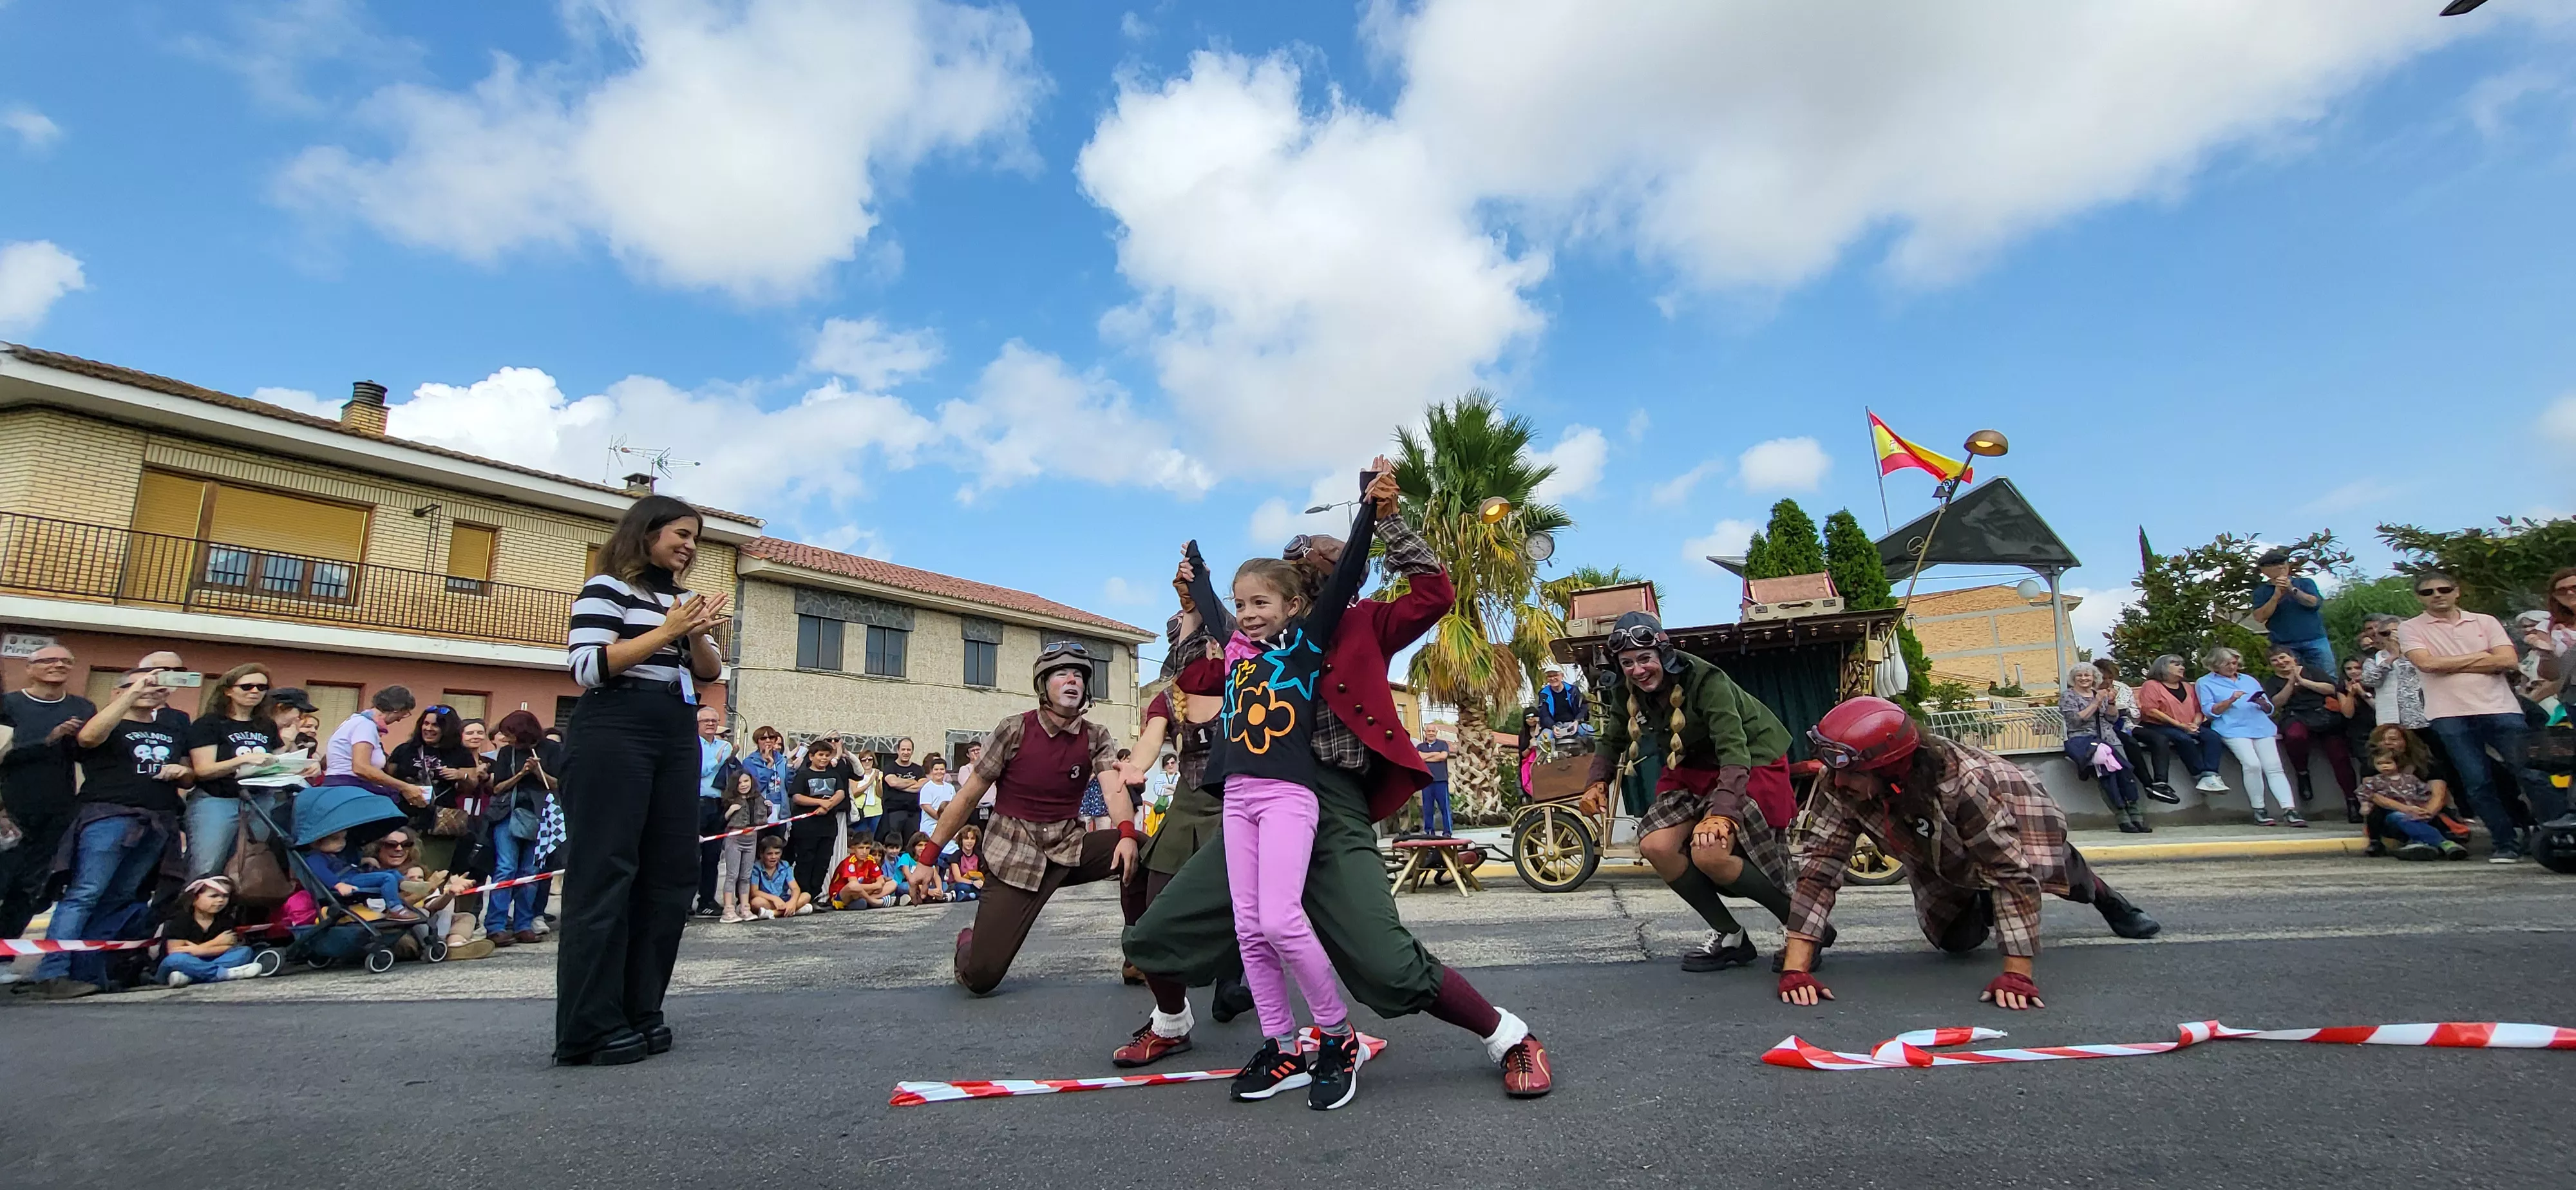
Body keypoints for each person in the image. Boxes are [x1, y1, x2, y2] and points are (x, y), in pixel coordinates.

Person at [1121, 460, 1553, 1099]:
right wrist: (1190, 607)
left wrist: (1389, 520)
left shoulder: (1362, 623)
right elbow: (1189, 677)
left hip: (1333, 803)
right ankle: (1172, 1020)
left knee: (1386, 963)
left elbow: (1434, 594)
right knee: (1155, 934)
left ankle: (1509, 1037)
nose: (1313, 564)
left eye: (1320, 565)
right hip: (1258, 796)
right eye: (1300, 563)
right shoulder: (1251, 644)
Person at [1168, 522, 1385, 1111]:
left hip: (1288, 795)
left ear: (1293, 606)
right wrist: (1196, 566)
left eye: (1261, 603)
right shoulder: (1236, 651)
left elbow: (1341, 581)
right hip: (1237, 797)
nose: (1247, 614)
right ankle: (1283, 1044)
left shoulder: (1307, 644)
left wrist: (1368, 510)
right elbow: (1209, 607)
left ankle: (1337, 1037)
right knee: (1247, 927)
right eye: (1242, 605)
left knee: (1281, 920)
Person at [1779, 697, 2161, 1014]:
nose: (1839, 781)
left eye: (1851, 774)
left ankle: (2107, 898)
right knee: (1954, 940)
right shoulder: (1840, 780)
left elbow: (2009, 872)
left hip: (2016, 820)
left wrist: (2017, 973)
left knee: (2048, 872)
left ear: (1890, 769)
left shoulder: (1962, 782)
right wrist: (1796, 969)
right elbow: (1820, 867)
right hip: (1933, 843)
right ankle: (1982, 899)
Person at [554, 494, 730, 1067]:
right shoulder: (608, 588)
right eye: (680, 533)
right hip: (615, 728)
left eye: (695, 537)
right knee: (607, 873)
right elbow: (587, 666)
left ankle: (639, 1009)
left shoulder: (680, 601)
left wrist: (695, 630)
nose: (690, 545)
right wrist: (667, 628)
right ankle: (588, 1027)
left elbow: (708, 672)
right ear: (646, 532)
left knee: (669, 875)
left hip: (673, 729)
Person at [1580, 611, 1803, 972]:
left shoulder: (1705, 679)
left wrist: (1721, 814)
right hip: (1691, 766)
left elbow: (1734, 748)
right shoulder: (1625, 689)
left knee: (1709, 853)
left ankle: (1804, 927)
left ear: (1664, 655)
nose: (1637, 670)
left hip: (1749, 760)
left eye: (1645, 659)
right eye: (1627, 663)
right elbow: (1613, 737)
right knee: (1656, 846)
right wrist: (1596, 782)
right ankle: (1731, 937)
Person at [925, 642, 1135, 994]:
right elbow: (967, 797)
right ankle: (968, 942)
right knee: (981, 978)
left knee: (1140, 849)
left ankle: (1140, 956)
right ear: (1043, 686)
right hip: (1014, 858)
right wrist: (927, 859)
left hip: (1068, 848)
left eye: (1079, 675)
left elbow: (1114, 790)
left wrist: (1127, 832)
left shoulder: (1096, 736)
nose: (1072, 679)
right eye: (1061, 673)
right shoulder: (1013, 730)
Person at [28, 665, 195, 999]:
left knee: (120, 897)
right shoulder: (106, 722)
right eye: (140, 685)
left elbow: (190, 778)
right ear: (118, 692)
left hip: (158, 819)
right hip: (109, 816)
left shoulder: (171, 727)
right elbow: (89, 739)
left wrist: (182, 771)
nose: (151, 690)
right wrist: (133, 693)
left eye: (158, 687)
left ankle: (88, 971)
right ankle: (53, 972)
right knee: (84, 894)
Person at [2395, 571, 2558, 863]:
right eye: (2427, 592)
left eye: (2443, 589)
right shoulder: (2411, 628)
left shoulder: (2485, 621)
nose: (2437, 596)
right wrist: (2483, 658)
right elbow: (2427, 664)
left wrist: (2451, 664)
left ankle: (2556, 834)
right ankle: (2505, 843)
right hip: (2448, 714)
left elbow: (2508, 660)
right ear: (2419, 597)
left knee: (2532, 774)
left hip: (2501, 708)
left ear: (2457, 592)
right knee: (2477, 782)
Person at [0, 643, 95, 943]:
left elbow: (86, 755)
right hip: (9, 807)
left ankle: (4, 956)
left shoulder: (82, 708)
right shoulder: (9, 704)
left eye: (67, 661)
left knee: (32, 887)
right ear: (30, 669)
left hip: (57, 809)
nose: (59, 665)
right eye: (49, 660)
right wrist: (49, 739)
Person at [184, 663, 290, 880]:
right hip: (217, 800)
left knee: (247, 868)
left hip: (259, 801)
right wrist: (242, 760)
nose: (255, 692)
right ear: (228, 690)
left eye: (262, 687)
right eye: (247, 686)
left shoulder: (266, 725)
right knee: (207, 867)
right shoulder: (210, 724)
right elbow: (203, 771)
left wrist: (301, 765)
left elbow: (277, 760)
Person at [2197, 647, 2301, 826]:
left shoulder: (2249, 680)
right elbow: (2209, 711)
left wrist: (2262, 703)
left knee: (2274, 767)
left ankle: (2290, 810)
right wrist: (2230, 700)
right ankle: (2259, 809)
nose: (2232, 667)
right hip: (2232, 728)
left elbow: (2270, 709)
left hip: (2260, 726)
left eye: (2235, 663)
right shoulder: (2205, 682)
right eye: (2227, 664)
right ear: (2215, 665)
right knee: (2252, 765)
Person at [484, 710, 560, 945]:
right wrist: (522, 773)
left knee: (531, 870)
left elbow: (560, 784)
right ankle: (495, 925)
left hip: (542, 814)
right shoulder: (507, 753)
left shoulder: (553, 750)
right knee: (506, 868)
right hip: (510, 813)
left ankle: (524, 924)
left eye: (510, 734)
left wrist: (538, 772)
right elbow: (498, 788)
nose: (506, 739)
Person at [386, 703, 483, 879]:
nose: (429, 729)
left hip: (440, 822)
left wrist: (460, 775)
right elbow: (388, 778)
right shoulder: (405, 750)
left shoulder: (460, 753)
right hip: (404, 818)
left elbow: (471, 786)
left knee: (433, 873)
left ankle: (429, 906)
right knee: (402, 872)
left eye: (435, 725)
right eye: (426, 724)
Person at [2262, 647, 2356, 820]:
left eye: (2283, 658)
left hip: (2323, 714)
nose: (2281, 662)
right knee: (2295, 736)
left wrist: (2304, 682)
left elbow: (2331, 689)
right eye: (2275, 660)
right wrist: (2291, 683)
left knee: (2340, 756)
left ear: (2293, 658)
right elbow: (2276, 703)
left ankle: (2352, 801)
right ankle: (2302, 773)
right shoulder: (2273, 681)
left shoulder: (2312, 670)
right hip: (2296, 715)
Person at [2060, 665, 2148, 833]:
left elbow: (2112, 718)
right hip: (2086, 742)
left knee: (2126, 774)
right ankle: (2122, 818)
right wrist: (2096, 702)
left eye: (2088, 675)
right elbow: (2076, 721)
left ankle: (2137, 817)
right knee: (2106, 779)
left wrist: (2112, 702)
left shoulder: (2098, 694)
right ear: (2073, 678)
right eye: (2079, 675)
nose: (2084, 678)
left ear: (2094, 678)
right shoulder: (2068, 696)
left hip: (2110, 740)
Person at [156, 876, 280, 987]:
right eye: (213, 896)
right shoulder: (181, 920)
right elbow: (175, 952)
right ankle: (224, 974)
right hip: (182, 964)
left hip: (208, 961)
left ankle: (191, 977)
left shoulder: (225, 920)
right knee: (176, 960)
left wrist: (198, 950)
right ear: (195, 899)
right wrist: (213, 944)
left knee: (244, 952)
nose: (221, 900)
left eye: (225, 896)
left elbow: (228, 946)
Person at [2133, 655, 2226, 795]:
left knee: (2212, 737)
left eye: (2182, 664)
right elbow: (2150, 710)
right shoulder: (2151, 685)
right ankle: (2200, 775)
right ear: (2163, 667)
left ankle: (2211, 774)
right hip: (2161, 725)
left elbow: (2198, 709)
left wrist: (2195, 724)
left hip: (2189, 725)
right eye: (2176, 664)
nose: (2182, 667)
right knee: (2183, 740)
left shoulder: (2188, 687)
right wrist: (2180, 725)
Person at [2358, 745, 2469, 861]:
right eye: (2380, 764)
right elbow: (2365, 795)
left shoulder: (2411, 779)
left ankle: (2419, 844)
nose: (2384, 766)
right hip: (2389, 816)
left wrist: (2424, 808)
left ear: (2397, 764)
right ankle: (2445, 843)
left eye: (2388, 763)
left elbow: (2425, 793)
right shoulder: (2374, 782)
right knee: (2400, 816)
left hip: (2416, 811)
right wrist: (2365, 805)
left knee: (2413, 819)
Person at [2246, 547, 2333, 679]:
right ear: (2264, 570)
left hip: (2315, 640)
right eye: (2275, 564)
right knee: (2290, 678)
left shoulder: (2305, 583)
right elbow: (2259, 618)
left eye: (2284, 563)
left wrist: (2292, 589)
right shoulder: (2261, 592)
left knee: (2328, 676)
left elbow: (2314, 603)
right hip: (2284, 644)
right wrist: (2276, 596)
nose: (2281, 567)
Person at [301, 829, 422, 922]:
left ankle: (403, 883)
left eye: (343, 839)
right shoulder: (316, 858)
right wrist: (339, 885)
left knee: (392, 873)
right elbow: (323, 873)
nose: (342, 843)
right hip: (346, 881)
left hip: (354, 876)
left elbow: (348, 865)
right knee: (387, 878)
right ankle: (396, 909)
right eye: (336, 840)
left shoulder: (336, 854)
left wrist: (364, 860)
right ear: (318, 842)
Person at [787, 739, 854, 898]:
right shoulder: (803, 775)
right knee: (805, 861)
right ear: (811, 756)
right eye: (820, 755)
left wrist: (828, 806)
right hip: (806, 827)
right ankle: (802, 895)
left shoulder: (834, 774)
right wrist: (820, 802)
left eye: (827, 755)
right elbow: (797, 797)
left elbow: (841, 793)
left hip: (828, 827)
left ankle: (814, 895)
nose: (824, 758)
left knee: (822, 862)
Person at [690, 706, 736, 918]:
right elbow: (698, 771)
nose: (711, 724)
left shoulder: (724, 745)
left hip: (718, 804)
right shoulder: (691, 744)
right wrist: (717, 761)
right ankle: (684, 901)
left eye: (714, 721)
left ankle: (706, 900)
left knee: (712, 855)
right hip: (695, 803)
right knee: (691, 855)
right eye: (706, 721)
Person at [715, 768, 764, 922]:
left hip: (752, 839)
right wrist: (730, 811)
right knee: (732, 875)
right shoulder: (730, 800)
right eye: (740, 782)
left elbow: (762, 819)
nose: (743, 785)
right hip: (735, 839)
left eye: (746, 781)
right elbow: (721, 822)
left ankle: (744, 907)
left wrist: (768, 809)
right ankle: (728, 909)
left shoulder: (757, 798)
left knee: (746, 876)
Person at [743, 725, 791, 843]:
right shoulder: (750, 761)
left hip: (780, 809)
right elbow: (755, 786)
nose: (768, 740)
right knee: (760, 847)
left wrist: (793, 768)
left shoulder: (782, 760)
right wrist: (769, 767)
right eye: (763, 738)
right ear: (757, 741)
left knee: (777, 846)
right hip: (759, 809)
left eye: (771, 737)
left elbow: (789, 785)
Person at [744, 836, 810, 918]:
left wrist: (792, 902)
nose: (774, 857)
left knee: (806, 896)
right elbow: (755, 892)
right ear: (761, 854)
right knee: (756, 902)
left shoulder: (785, 866)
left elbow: (795, 888)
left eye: (777, 853)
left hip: (784, 900)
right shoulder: (757, 868)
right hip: (769, 901)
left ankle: (774, 913)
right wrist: (775, 899)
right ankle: (794, 910)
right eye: (769, 854)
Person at [878, 737, 927, 846]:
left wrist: (901, 786)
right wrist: (912, 781)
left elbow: (922, 786)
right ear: (898, 751)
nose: (906, 752)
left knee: (911, 844)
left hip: (914, 814)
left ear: (912, 751)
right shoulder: (889, 768)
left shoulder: (918, 769)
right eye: (903, 749)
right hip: (894, 813)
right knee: (894, 844)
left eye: (908, 750)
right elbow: (893, 783)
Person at [831, 838, 902, 909]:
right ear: (853, 849)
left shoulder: (870, 860)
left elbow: (880, 880)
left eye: (867, 848)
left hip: (862, 893)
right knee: (854, 886)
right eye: (861, 848)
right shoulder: (849, 862)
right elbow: (855, 886)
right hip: (843, 896)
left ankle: (869, 900)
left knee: (893, 883)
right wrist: (875, 886)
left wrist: (878, 885)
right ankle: (873, 902)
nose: (864, 852)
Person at [1416, 724, 1454, 837]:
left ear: (1436, 733)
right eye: (1429, 731)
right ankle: (1429, 831)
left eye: (1433, 731)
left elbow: (1443, 757)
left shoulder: (1443, 744)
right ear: (1425, 732)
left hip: (1441, 781)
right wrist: (1435, 754)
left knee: (1444, 808)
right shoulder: (1420, 747)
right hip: (1426, 781)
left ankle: (1447, 832)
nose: (1431, 733)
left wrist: (1427, 757)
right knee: (1427, 809)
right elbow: (1419, 757)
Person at [1534, 665, 1589, 741]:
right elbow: (1544, 714)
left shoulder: (1573, 690)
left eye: (1556, 675)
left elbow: (1583, 708)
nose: (1553, 678)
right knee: (1544, 739)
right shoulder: (1544, 694)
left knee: (1588, 730)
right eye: (1550, 676)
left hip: (1573, 724)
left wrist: (1577, 721)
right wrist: (1553, 727)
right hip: (1554, 727)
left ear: (1562, 676)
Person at [894, 832, 948, 905]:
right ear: (913, 847)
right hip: (909, 885)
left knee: (944, 886)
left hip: (924, 887)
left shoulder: (928, 859)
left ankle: (929, 897)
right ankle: (927, 897)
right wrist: (928, 891)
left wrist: (939, 890)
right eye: (920, 845)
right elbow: (909, 878)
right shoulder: (906, 857)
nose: (923, 848)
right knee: (904, 887)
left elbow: (936, 876)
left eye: (926, 846)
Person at [945, 824, 985, 902]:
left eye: (972, 839)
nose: (969, 842)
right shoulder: (956, 855)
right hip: (958, 883)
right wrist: (973, 883)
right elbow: (957, 878)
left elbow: (983, 873)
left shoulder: (978, 855)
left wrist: (980, 883)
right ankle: (969, 895)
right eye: (966, 838)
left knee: (984, 889)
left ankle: (968, 895)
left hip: (975, 883)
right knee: (963, 887)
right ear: (961, 840)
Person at [918, 757, 958, 833]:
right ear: (932, 771)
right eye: (936, 769)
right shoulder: (927, 787)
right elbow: (927, 807)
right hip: (929, 828)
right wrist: (941, 819)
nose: (939, 772)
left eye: (942, 769)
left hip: (947, 828)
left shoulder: (950, 788)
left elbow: (954, 805)